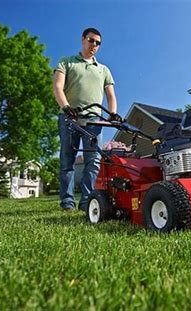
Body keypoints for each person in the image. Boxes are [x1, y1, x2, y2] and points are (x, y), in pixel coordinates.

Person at [53, 27, 120, 212]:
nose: (94, 45)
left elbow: (111, 96)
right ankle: (67, 202)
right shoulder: (66, 62)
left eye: (98, 43)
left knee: (94, 160)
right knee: (68, 159)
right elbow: (58, 87)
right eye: (91, 40)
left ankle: (87, 201)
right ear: (83, 40)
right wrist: (66, 107)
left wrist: (112, 113)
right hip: (69, 117)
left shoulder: (104, 70)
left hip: (93, 120)